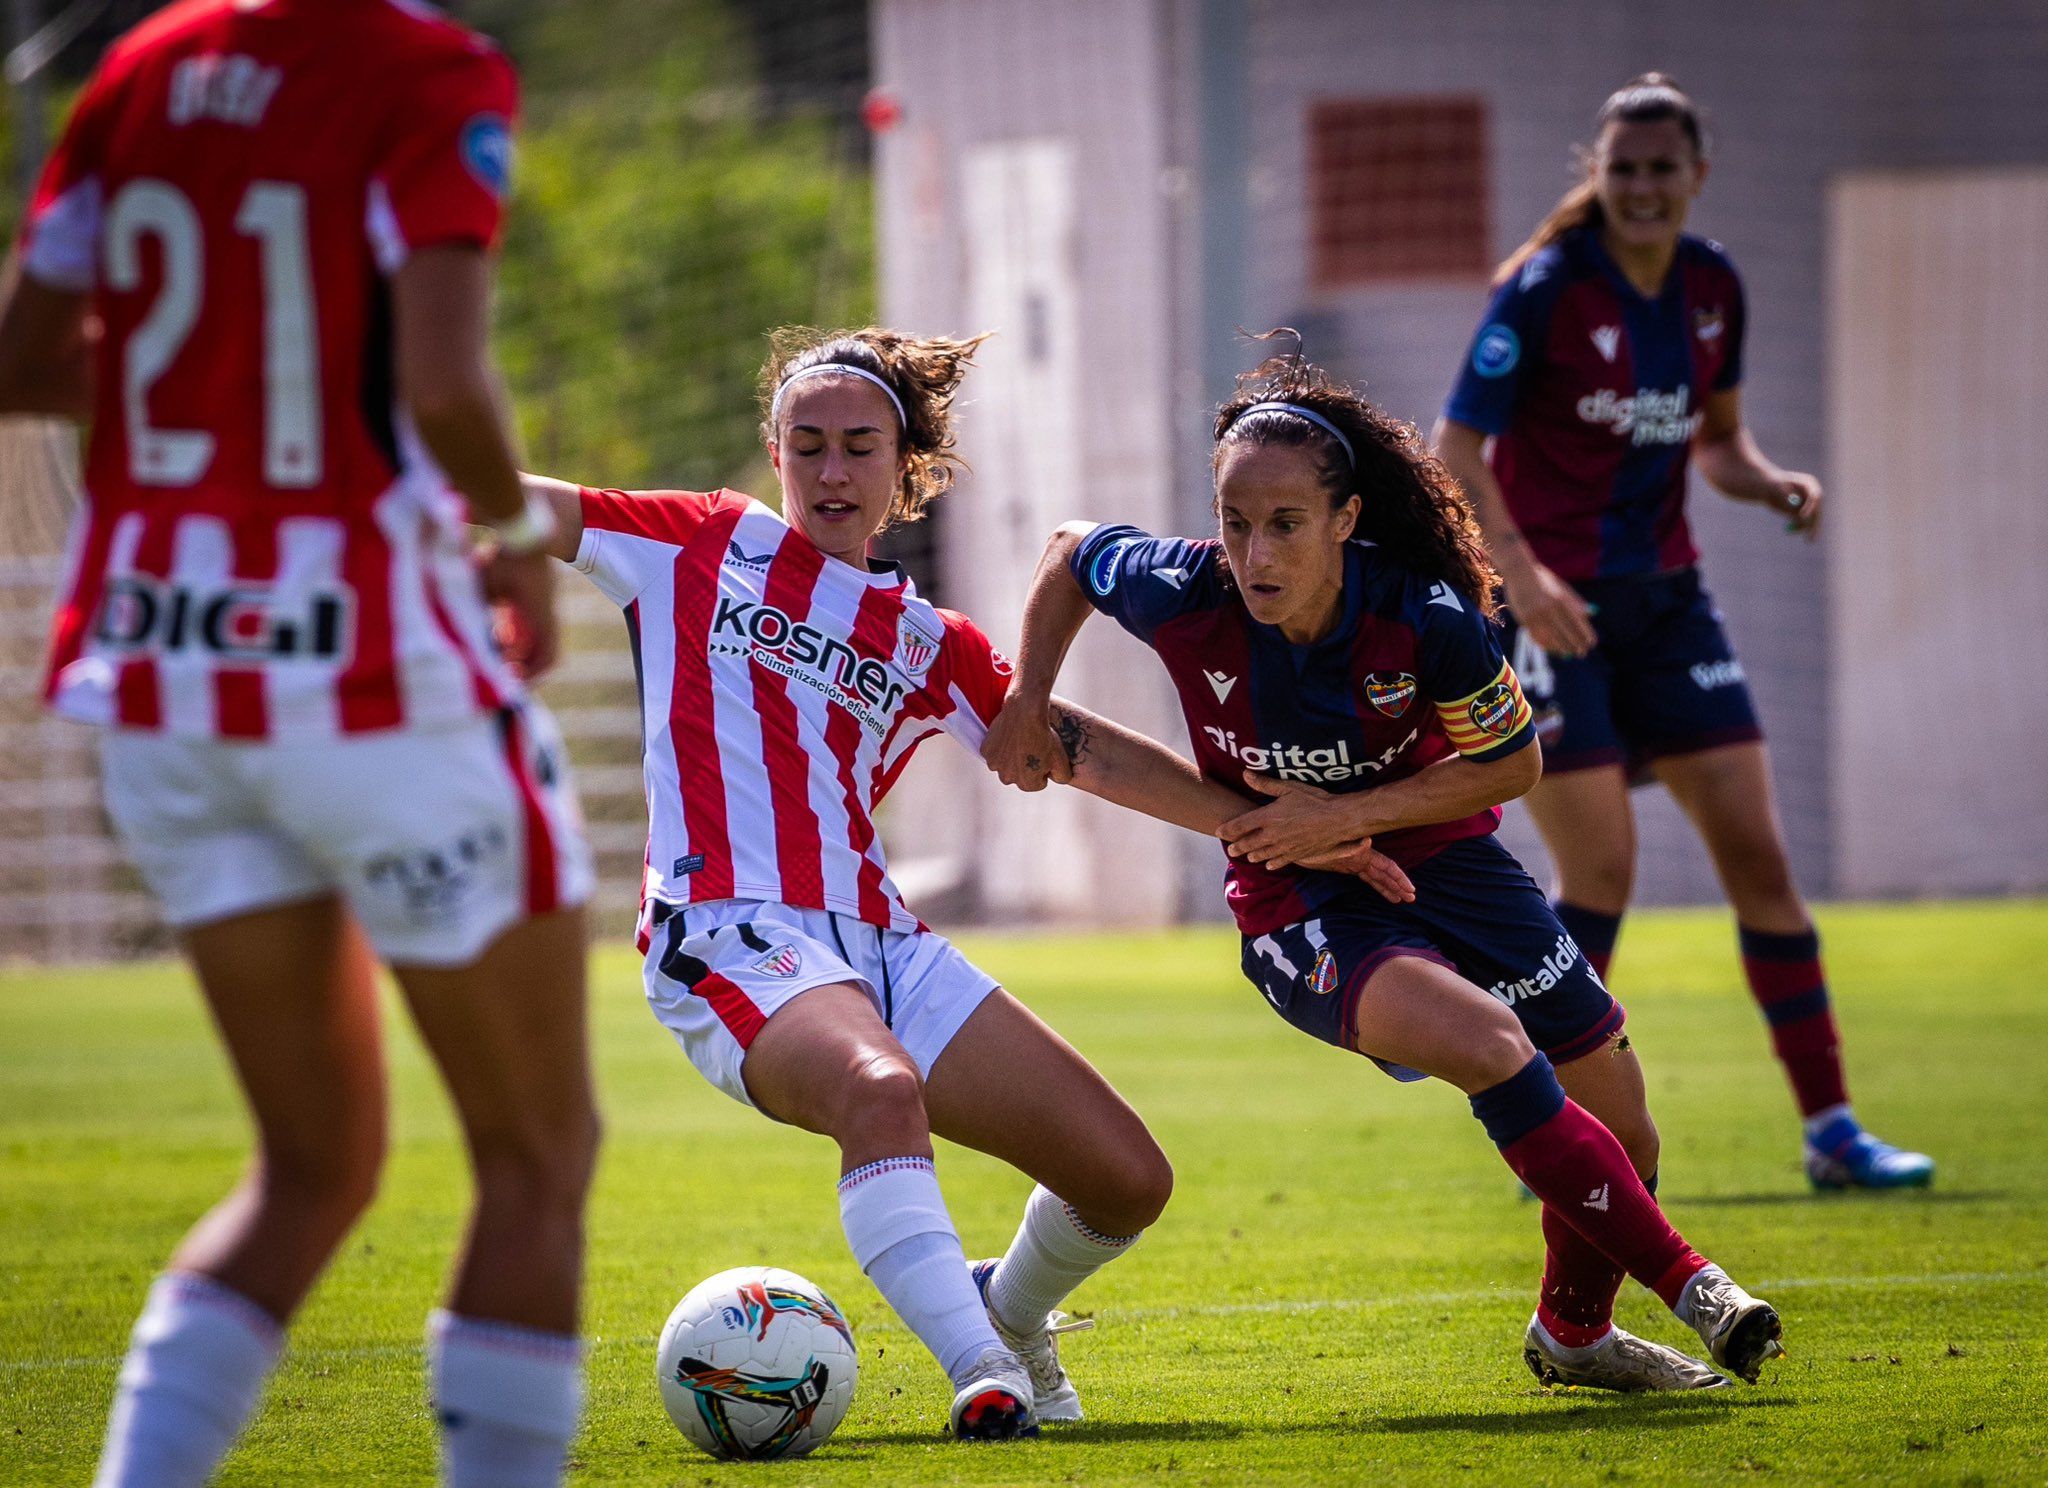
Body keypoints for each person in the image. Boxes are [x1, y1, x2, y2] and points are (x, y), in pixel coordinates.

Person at [513, 325, 1409, 1438]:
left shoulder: (924, 637)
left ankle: (1007, 1308)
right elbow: (511, 501)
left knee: (1125, 1181)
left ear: (904, 465)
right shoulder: (696, 543)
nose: (832, 471)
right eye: (808, 446)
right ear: (773, 449)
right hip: (725, 928)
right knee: (877, 1091)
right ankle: (982, 1370)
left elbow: (1066, 744)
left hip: (878, 943)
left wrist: (1269, 829)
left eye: (858, 446)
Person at [0, 3, 599, 1484]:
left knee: (311, 1170)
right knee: (535, 1159)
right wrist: (519, 538)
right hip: (370, 678)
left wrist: (214, 391)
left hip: (161, 682)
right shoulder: (423, 66)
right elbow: (448, 387)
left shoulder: (138, 69)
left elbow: (23, 358)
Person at [983, 346, 1788, 1393]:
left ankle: (1575, 1337)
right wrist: (1025, 697)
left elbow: (1511, 761)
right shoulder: (1181, 587)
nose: (1253, 552)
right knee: (1489, 1043)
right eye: (1233, 522)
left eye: (1283, 524)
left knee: (1621, 1111)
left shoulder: (1427, 617)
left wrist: (1347, 813)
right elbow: (1065, 552)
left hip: (1445, 859)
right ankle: (1697, 1286)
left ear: (1345, 520)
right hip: (1295, 897)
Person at [1430, 74, 1931, 1192]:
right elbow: (1451, 451)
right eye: (1621, 169)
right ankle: (1547, 1128)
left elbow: (1715, 445)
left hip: (1667, 602)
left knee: (1757, 856)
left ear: (1694, 176)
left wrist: (1770, 484)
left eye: (1660, 169)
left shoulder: (1711, 288)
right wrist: (1520, 576)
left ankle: (1833, 1130)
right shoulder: (1545, 291)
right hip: (1548, 609)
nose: (1641, 187)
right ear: (1595, 178)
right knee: (1601, 866)